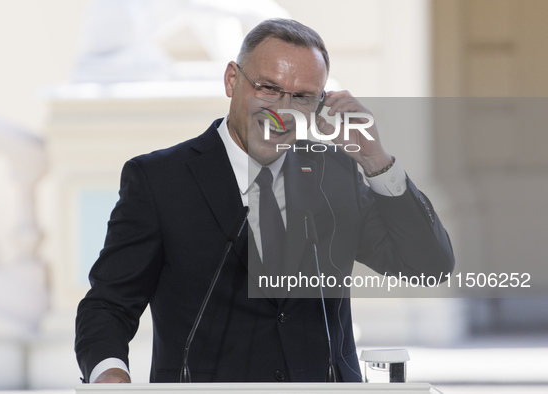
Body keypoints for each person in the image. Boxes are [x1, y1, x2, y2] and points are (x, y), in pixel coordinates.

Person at [75, 18, 454, 383]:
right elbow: (108, 305)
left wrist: (376, 161)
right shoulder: (160, 180)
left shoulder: (334, 174)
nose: (281, 109)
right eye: (268, 88)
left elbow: (428, 267)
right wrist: (110, 375)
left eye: (302, 96)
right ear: (231, 80)